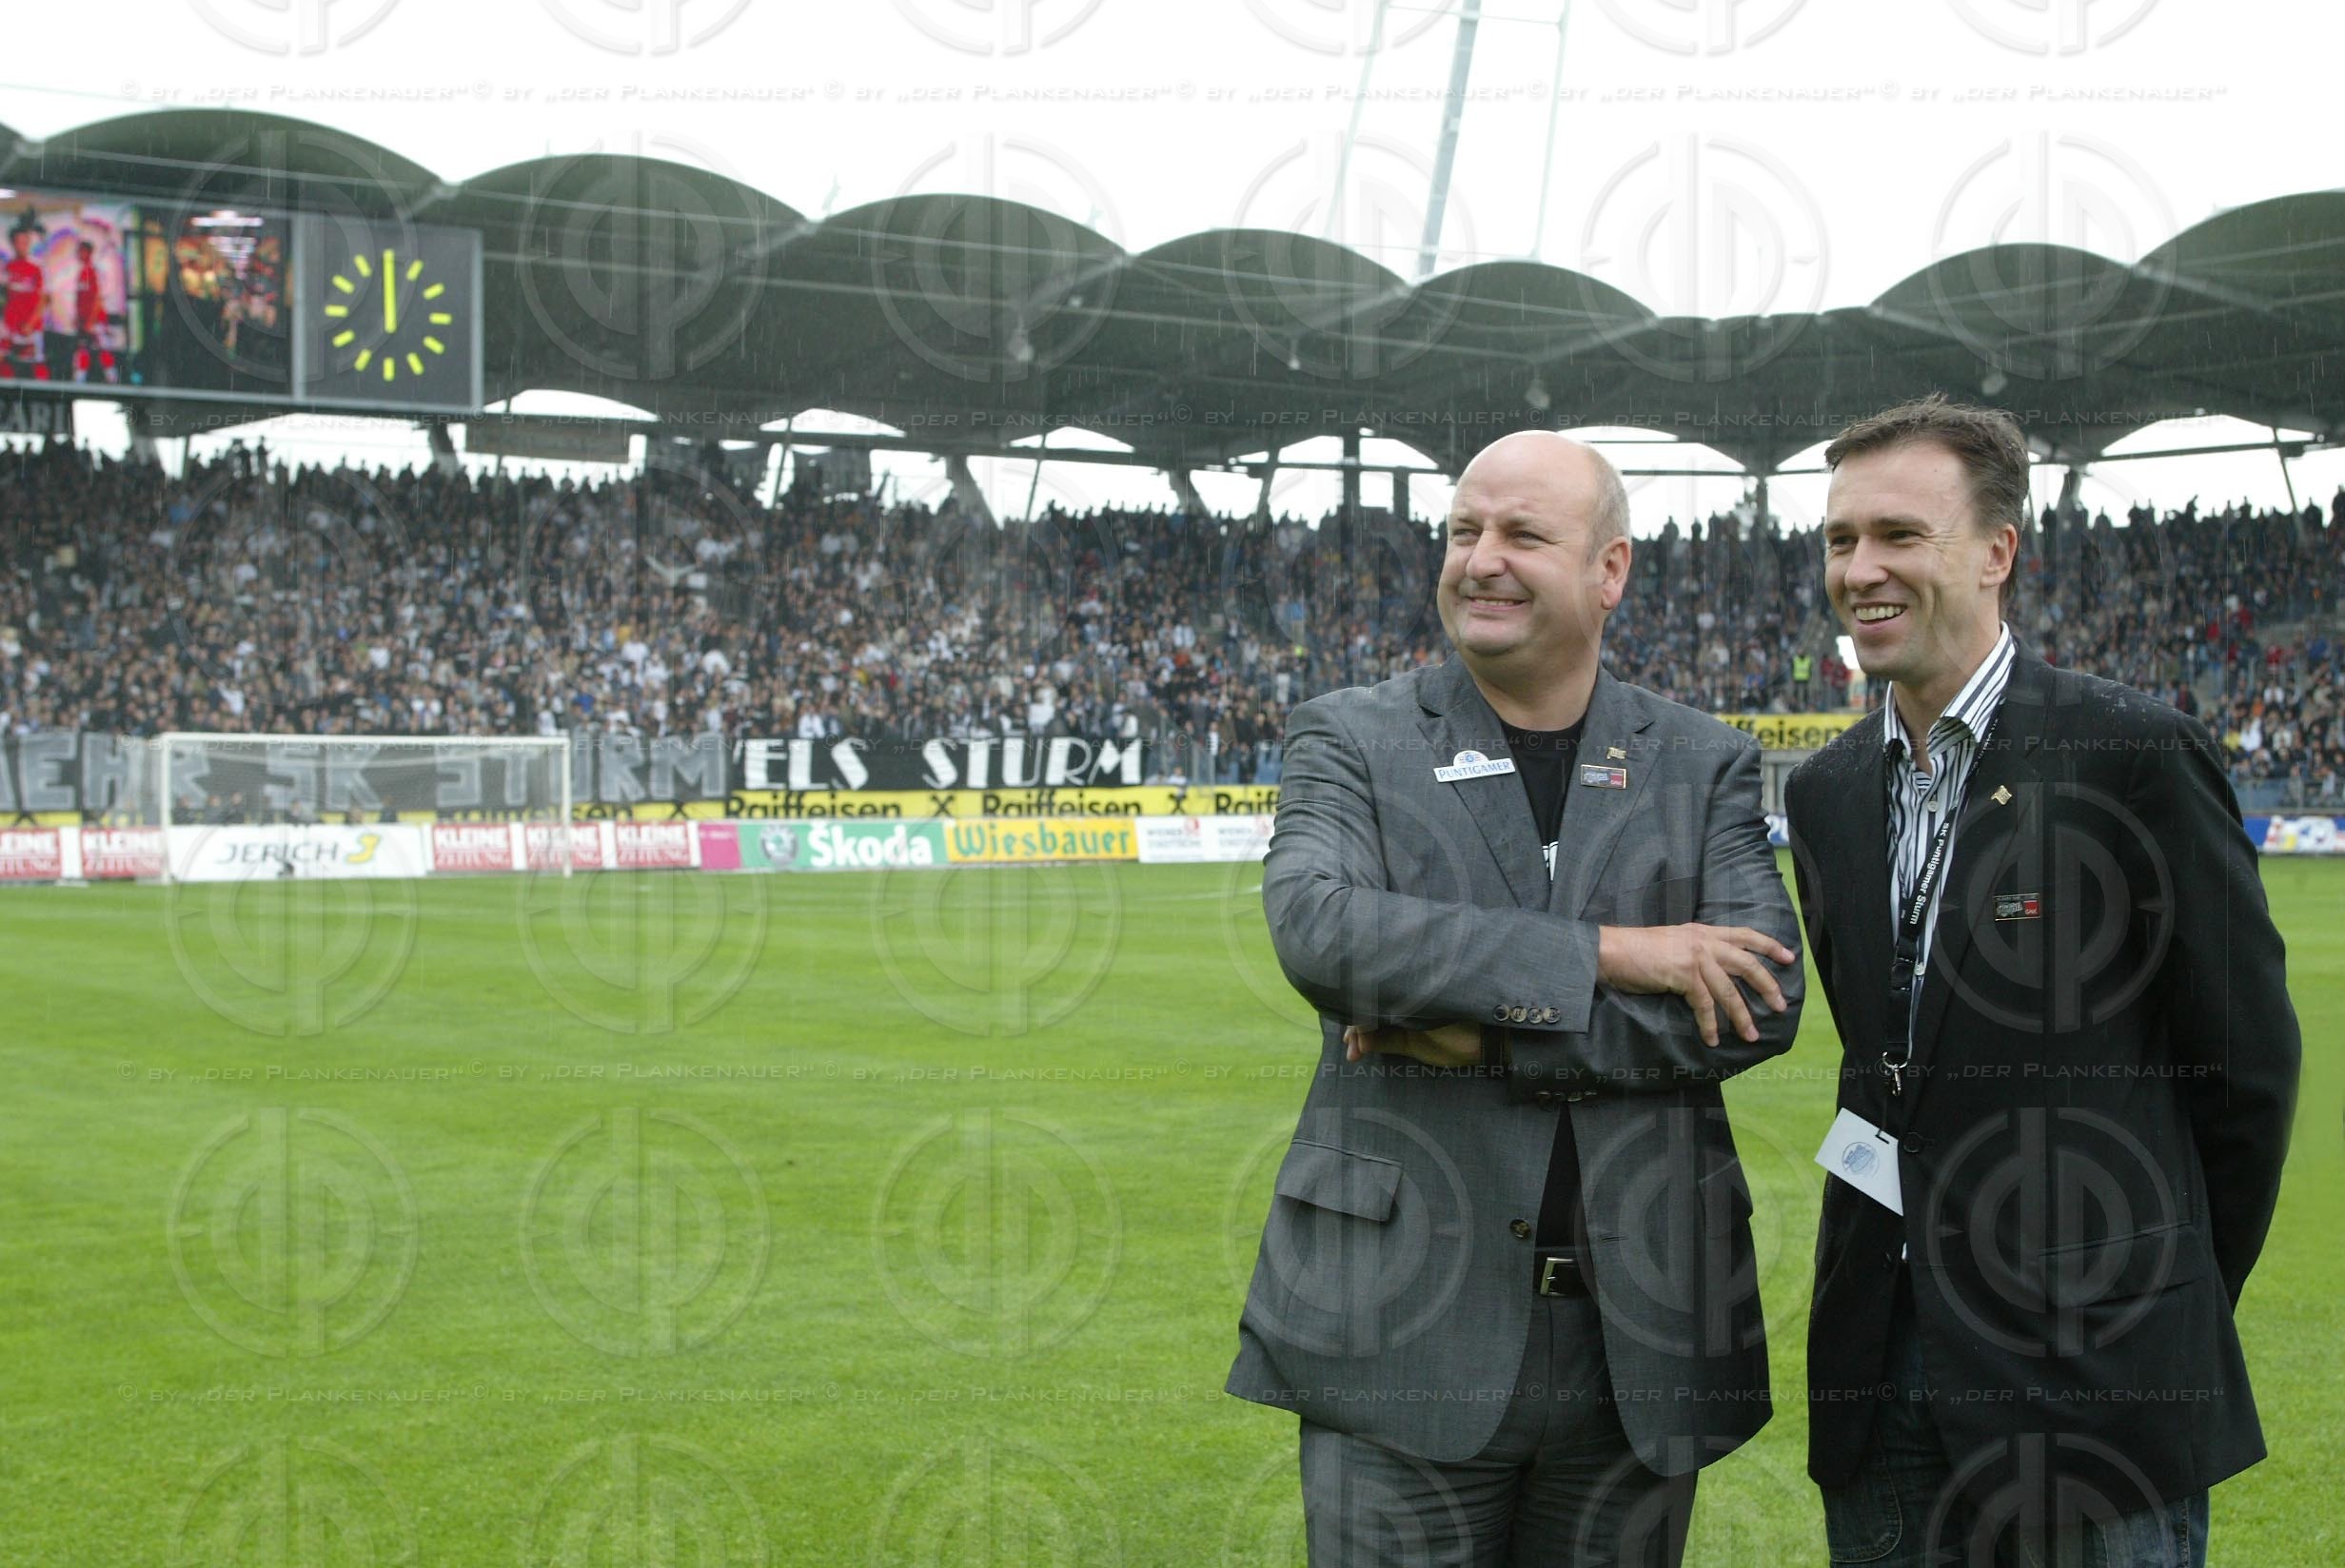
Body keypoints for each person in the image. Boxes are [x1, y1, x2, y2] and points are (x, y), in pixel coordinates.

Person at [1226, 431, 1804, 1565]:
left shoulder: (1703, 761)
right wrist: (1612, 954)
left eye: (1522, 534)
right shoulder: (1349, 735)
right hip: (1397, 1332)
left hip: (1639, 1344)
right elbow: (1325, 932)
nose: (1480, 558)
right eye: (1462, 531)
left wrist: (1487, 1041)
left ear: (1609, 569)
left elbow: (1757, 999)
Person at [1784, 396, 2300, 1567]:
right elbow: (1885, 1064)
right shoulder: (1821, 794)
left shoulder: (2131, 756)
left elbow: (2246, 1073)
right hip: (1880, 1375)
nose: (1859, 570)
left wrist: (2150, 1297)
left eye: (1899, 535)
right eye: (1839, 539)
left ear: (1996, 552)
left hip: (2095, 1386)